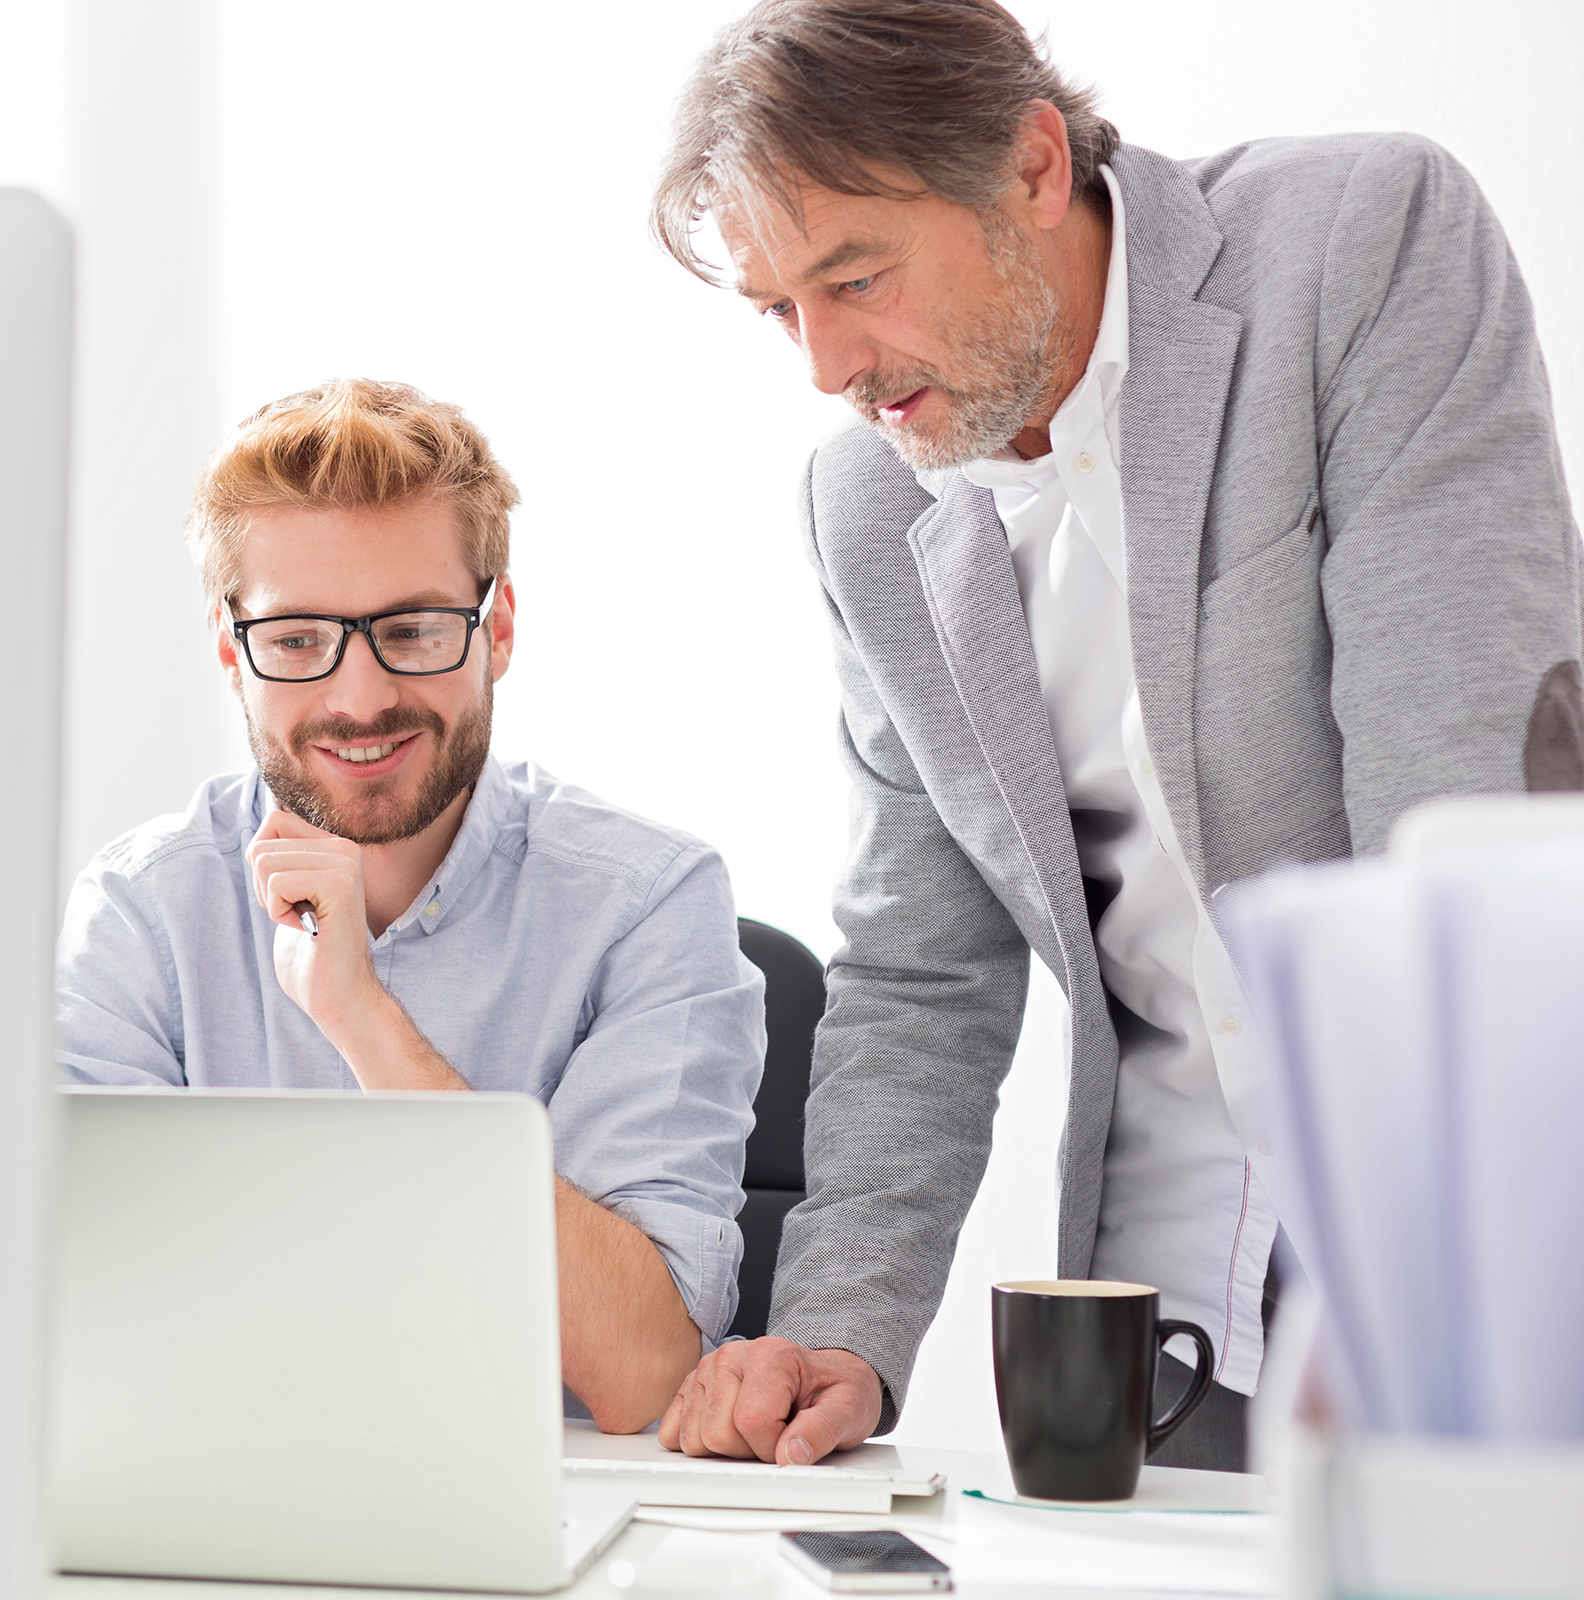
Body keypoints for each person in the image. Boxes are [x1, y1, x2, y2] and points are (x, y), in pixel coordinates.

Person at [648, 0, 1584, 1471]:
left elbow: (1455, 822)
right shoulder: (870, 506)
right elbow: (919, 969)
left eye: (857, 276)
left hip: (1459, 1264)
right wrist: (841, 1329)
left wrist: (1438, 1319)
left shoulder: (1358, 246)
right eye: (779, 307)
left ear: (1029, 166)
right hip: (1161, 1335)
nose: (826, 362)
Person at [58, 378, 766, 1432]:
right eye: (296, 640)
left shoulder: (646, 903)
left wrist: (366, 1023)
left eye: (415, 628)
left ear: (498, 628)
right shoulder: (140, 911)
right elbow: (66, 1331)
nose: (357, 696)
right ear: (228, 648)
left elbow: (648, 1370)